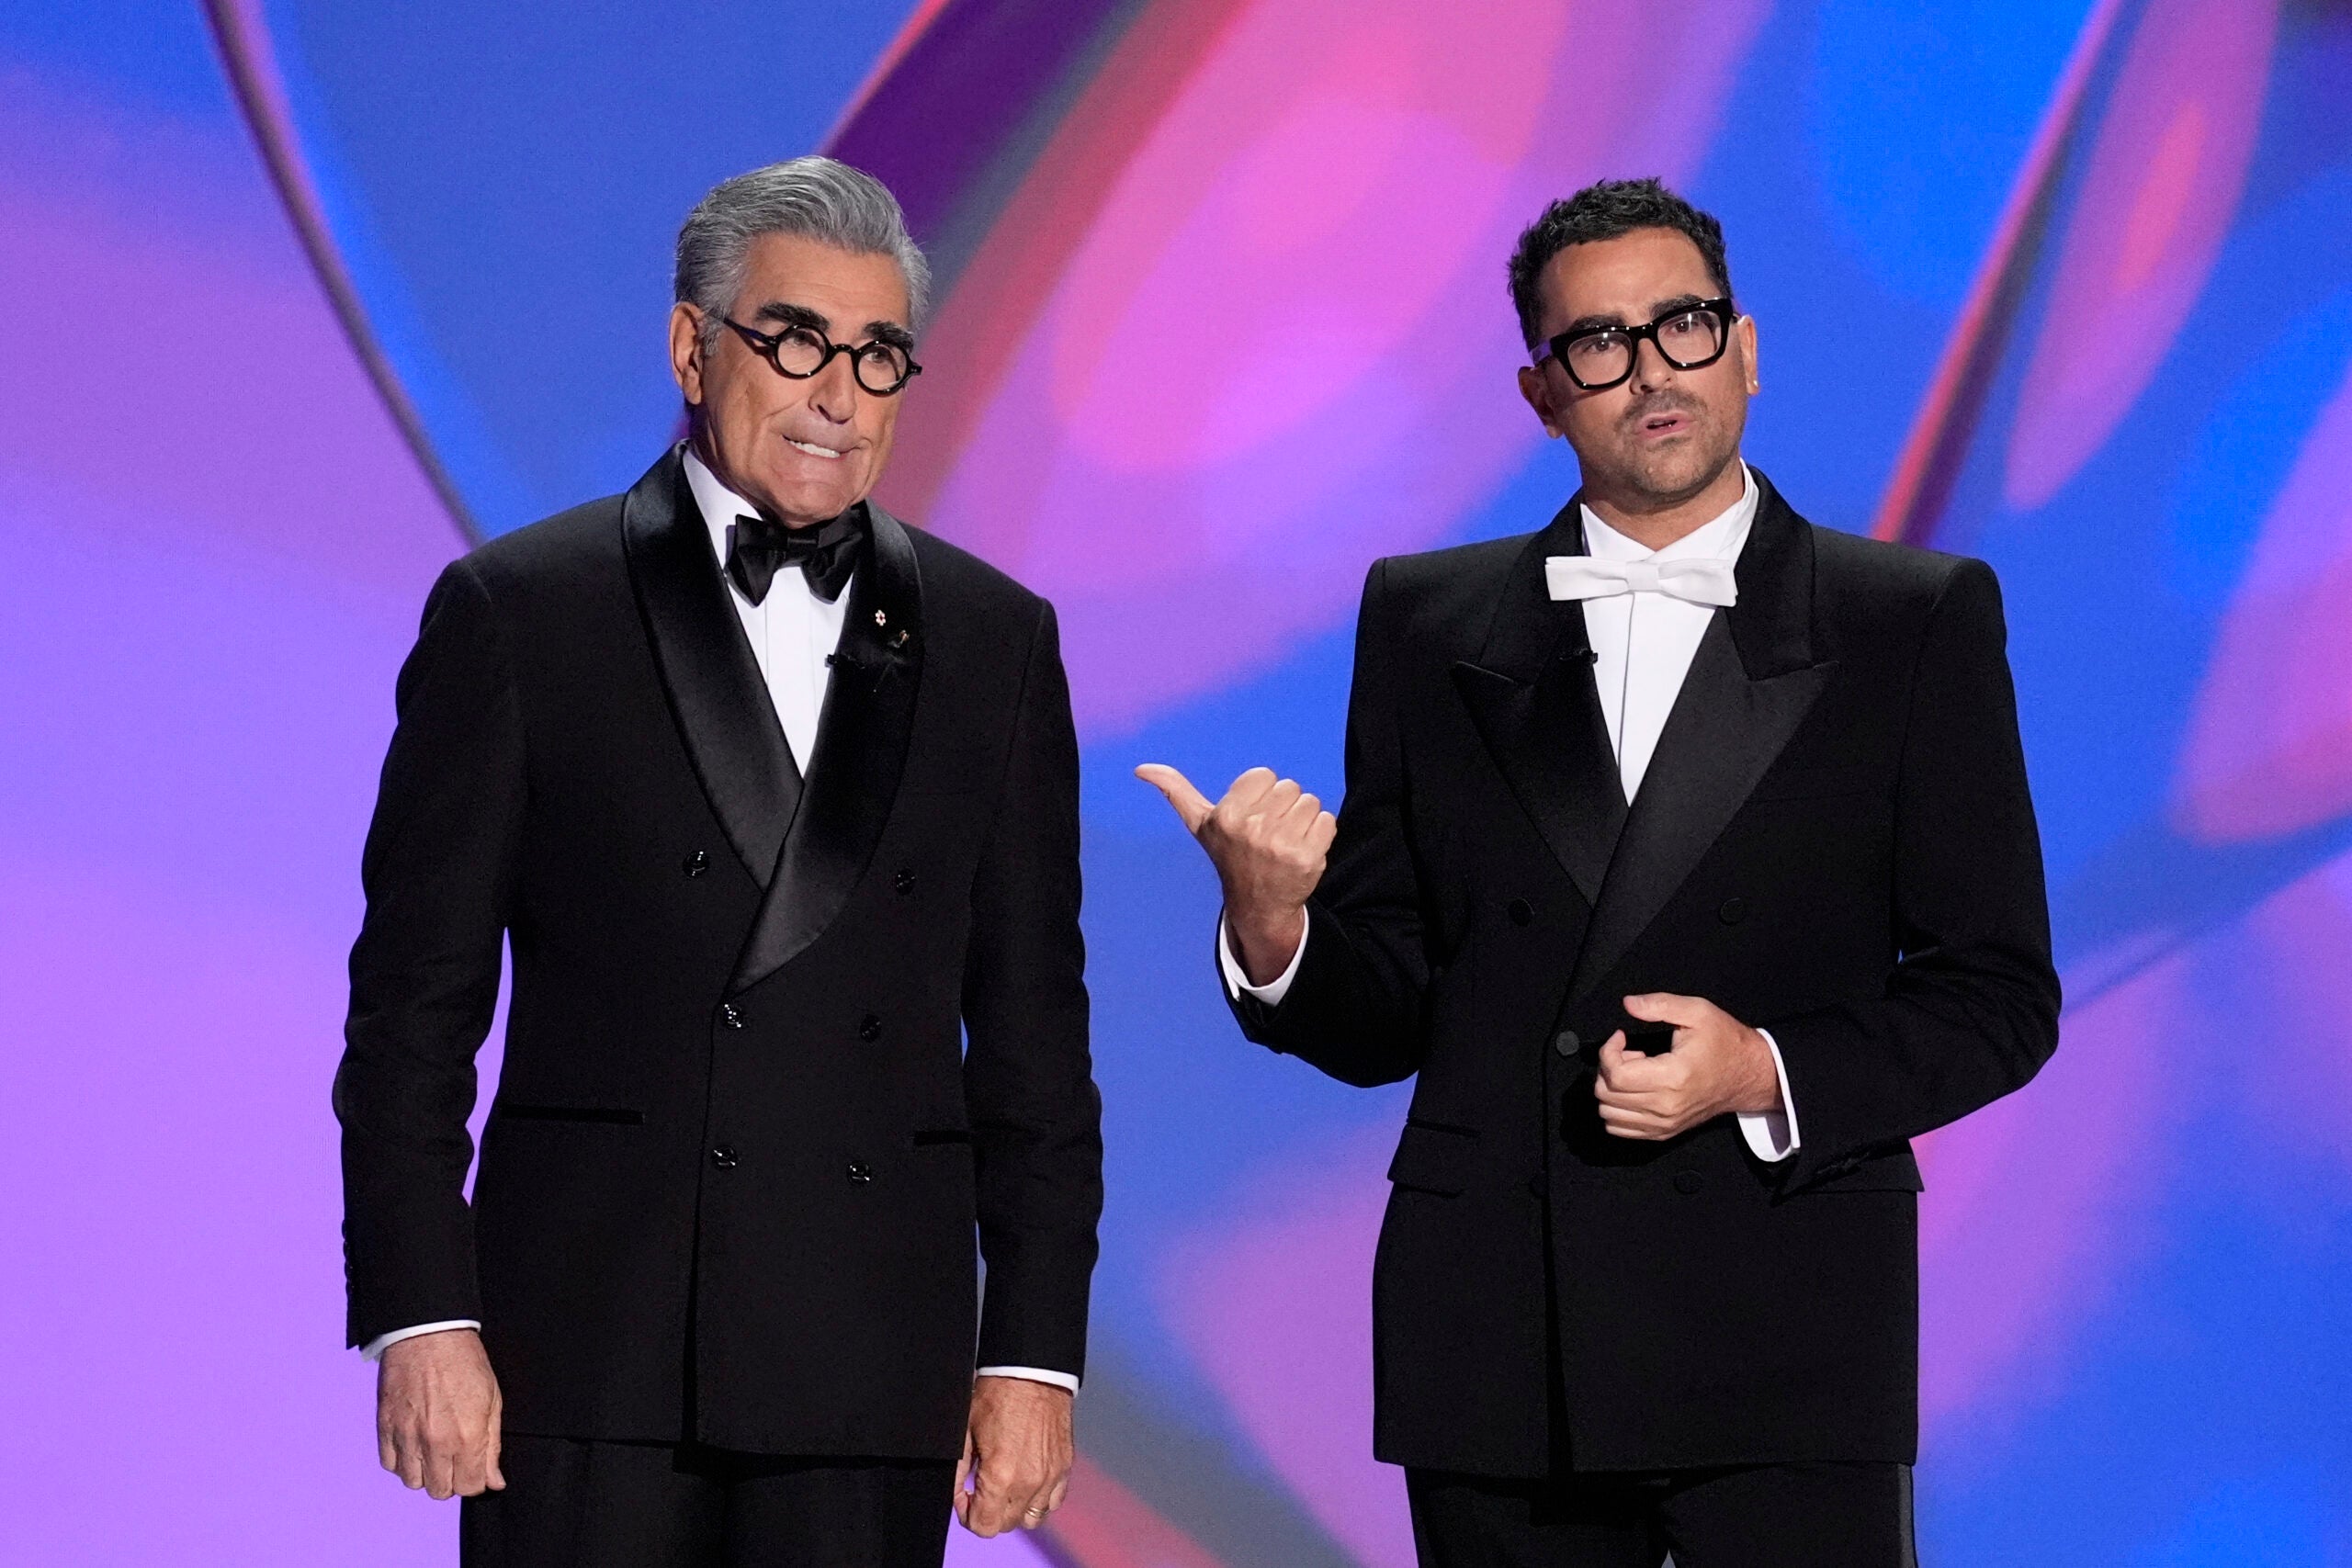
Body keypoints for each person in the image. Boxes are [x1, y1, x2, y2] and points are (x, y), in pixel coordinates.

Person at [1140, 177, 2059, 1566]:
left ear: (1745, 347)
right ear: (1540, 391)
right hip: (1503, 1338)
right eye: (1599, 344)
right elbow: (1392, 1006)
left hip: (1788, 1325)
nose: (1651, 372)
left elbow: (1999, 994)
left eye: (1682, 326)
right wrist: (1276, 929)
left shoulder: (1910, 621)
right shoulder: (1426, 619)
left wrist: (1761, 1070)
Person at [336, 156, 1102, 1568]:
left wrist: (1036, 1354)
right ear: (694, 348)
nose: (838, 394)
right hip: (589, 1349)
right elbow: (411, 1012)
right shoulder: (523, 613)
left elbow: (1036, 1037)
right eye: (797, 339)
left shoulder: (998, 640)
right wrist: (423, 1314)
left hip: (869, 1351)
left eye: (878, 357)